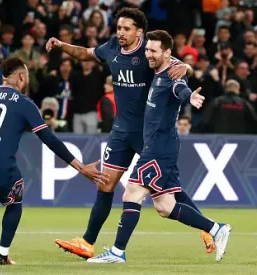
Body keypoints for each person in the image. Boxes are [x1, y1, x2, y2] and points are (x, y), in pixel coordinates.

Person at [46, 7, 215, 259]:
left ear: (140, 32)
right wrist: (61, 45)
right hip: (120, 130)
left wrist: (188, 67)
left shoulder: (149, 52)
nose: (121, 33)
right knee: (106, 183)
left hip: (148, 134)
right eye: (119, 28)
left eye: (126, 29)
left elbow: (177, 67)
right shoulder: (113, 47)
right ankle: (87, 242)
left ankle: (206, 227)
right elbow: (87, 53)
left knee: (168, 190)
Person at [0, 57, 109, 265]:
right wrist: (80, 167)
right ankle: (1, 254)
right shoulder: (25, 103)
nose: (27, 82)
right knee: (15, 202)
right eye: (26, 78)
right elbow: (49, 139)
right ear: (21, 76)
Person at [87, 30, 232, 264]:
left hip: (158, 148)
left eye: (153, 51)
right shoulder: (158, 70)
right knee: (165, 206)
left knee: (132, 193)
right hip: (159, 146)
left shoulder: (172, 75)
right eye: (147, 50)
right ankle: (216, 229)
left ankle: (117, 252)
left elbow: (180, 89)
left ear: (167, 52)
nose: (148, 55)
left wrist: (189, 97)